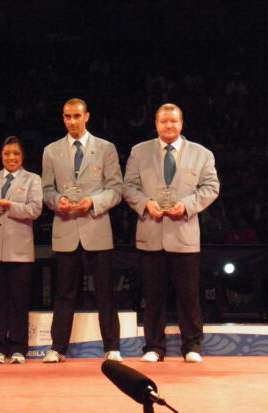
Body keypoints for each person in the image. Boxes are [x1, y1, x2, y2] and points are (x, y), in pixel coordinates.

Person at [123, 103, 220, 363]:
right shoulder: (139, 152)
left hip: (184, 234)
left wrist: (187, 205)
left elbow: (211, 187)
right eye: (164, 121)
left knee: (189, 295)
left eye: (174, 121)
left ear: (181, 123)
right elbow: (129, 187)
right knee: (153, 296)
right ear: (156, 124)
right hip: (151, 233)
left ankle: (192, 346)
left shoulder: (201, 154)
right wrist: (146, 204)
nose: (169, 125)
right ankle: (154, 347)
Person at [41, 98, 123, 363]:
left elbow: (116, 189)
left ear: (87, 116)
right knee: (64, 292)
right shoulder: (51, 151)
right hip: (66, 227)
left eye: (77, 116)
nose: (72, 121)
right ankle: (57, 348)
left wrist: (94, 202)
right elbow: (46, 190)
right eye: (67, 116)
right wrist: (57, 201)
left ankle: (112, 347)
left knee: (105, 292)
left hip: (96, 226)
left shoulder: (105, 148)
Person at [0, 136, 42, 364]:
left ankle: (19, 348)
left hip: (20, 250)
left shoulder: (32, 179)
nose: (11, 158)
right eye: (7, 154)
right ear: (1, 156)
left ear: (22, 156)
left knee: (19, 302)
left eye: (16, 154)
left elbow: (34, 210)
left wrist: (10, 205)